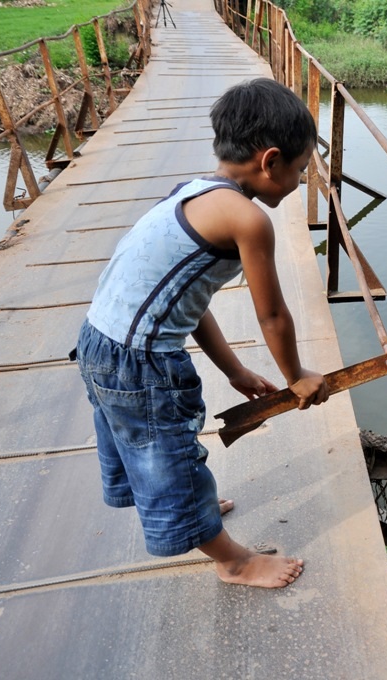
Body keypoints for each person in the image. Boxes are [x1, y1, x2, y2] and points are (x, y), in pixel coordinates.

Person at [75, 78, 329, 588]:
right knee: (169, 455)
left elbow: (189, 302)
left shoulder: (193, 191)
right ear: (271, 160)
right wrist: (296, 375)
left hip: (100, 341)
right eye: (301, 170)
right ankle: (232, 561)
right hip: (139, 362)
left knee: (153, 446)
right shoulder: (248, 220)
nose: (301, 183)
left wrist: (234, 370)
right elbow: (273, 316)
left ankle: (191, 502)